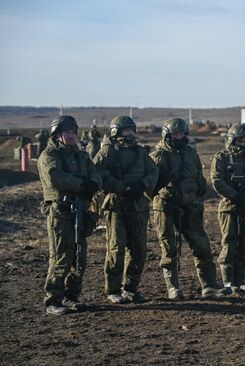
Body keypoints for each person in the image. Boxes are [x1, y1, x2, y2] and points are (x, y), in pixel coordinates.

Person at [149, 118, 226, 299]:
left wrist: (198, 191)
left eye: (182, 133)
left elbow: (199, 175)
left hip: (191, 206)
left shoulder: (191, 153)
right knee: (170, 248)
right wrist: (163, 198)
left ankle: (209, 285)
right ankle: (173, 287)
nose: (179, 137)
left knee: (202, 246)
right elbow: (149, 187)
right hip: (167, 207)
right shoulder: (157, 156)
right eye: (176, 134)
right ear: (167, 135)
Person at [37, 115, 101, 315]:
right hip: (60, 212)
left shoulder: (81, 156)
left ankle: (71, 296)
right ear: (57, 135)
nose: (71, 136)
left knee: (79, 257)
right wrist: (81, 185)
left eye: (73, 132)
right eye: (67, 132)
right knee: (61, 256)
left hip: (80, 211)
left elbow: (95, 174)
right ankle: (53, 300)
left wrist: (92, 185)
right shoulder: (48, 156)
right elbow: (55, 177)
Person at [93, 115, 158, 303]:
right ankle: (113, 289)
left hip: (137, 205)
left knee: (138, 249)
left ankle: (131, 288)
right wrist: (120, 187)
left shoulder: (140, 152)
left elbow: (153, 172)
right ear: (116, 132)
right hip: (116, 205)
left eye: (131, 130)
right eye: (125, 130)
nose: (129, 134)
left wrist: (142, 186)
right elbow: (97, 172)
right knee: (116, 248)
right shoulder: (107, 152)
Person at [210, 123, 245, 294]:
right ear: (231, 140)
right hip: (228, 206)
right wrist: (234, 195)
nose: (243, 143)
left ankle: (240, 280)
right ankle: (228, 282)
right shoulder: (221, 158)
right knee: (229, 242)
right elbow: (217, 180)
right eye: (239, 140)